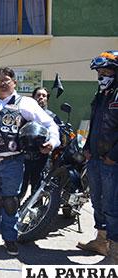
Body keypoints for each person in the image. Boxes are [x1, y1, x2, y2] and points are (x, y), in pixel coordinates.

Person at [0, 67, 60, 256]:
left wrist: (52, 142)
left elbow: (49, 124)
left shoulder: (26, 103)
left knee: (11, 202)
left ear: (14, 83)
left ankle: (10, 239)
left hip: (13, 162)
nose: (3, 83)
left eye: (7, 80)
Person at [76, 50, 118, 264]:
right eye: (99, 72)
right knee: (96, 202)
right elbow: (95, 124)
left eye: (106, 71)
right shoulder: (101, 95)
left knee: (112, 206)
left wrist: (113, 156)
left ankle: (115, 253)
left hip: (112, 162)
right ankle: (101, 241)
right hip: (94, 159)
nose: (101, 76)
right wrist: (87, 146)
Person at [19, 87, 61, 200]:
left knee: (38, 189)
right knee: (20, 188)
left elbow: (58, 132)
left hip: (42, 156)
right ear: (33, 98)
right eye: (38, 95)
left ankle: (38, 213)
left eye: (44, 96)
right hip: (25, 155)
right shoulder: (27, 114)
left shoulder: (52, 117)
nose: (41, 98)